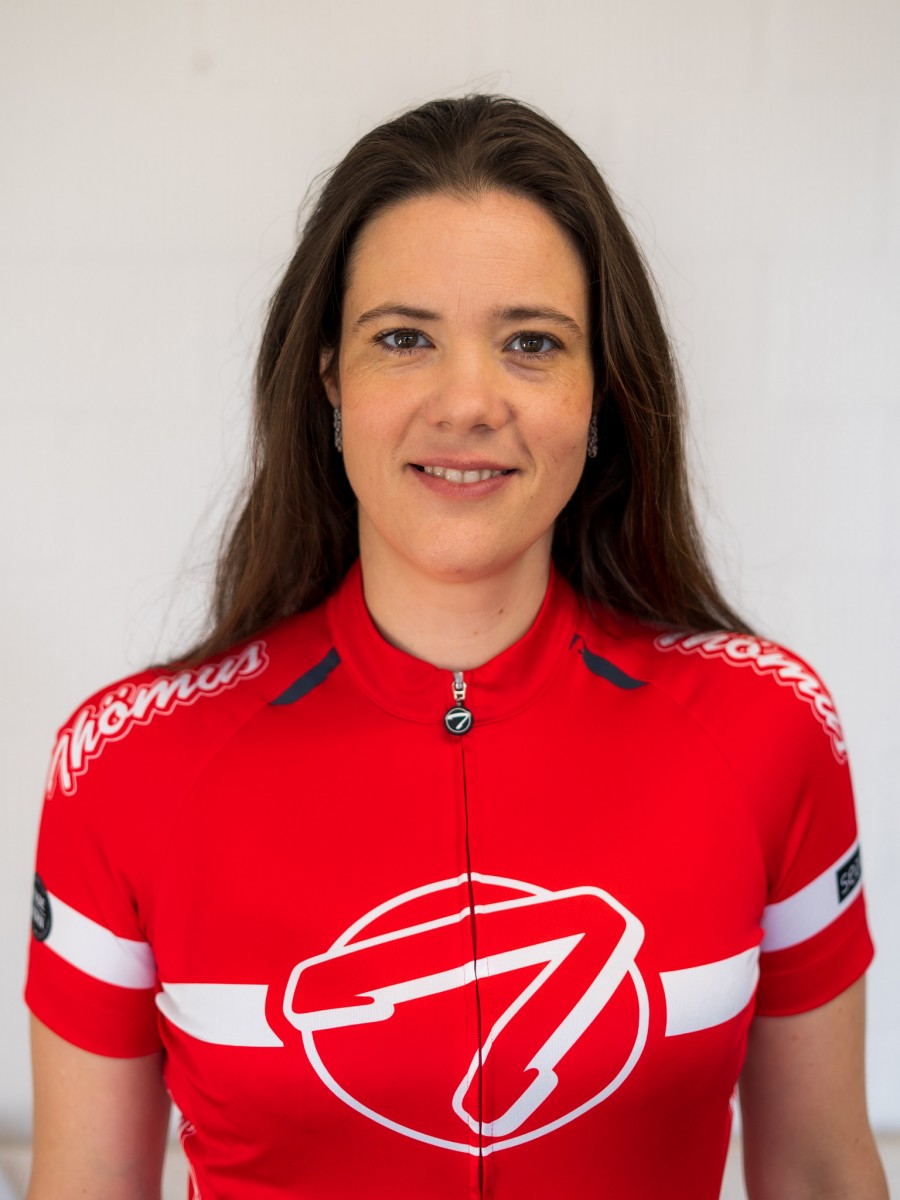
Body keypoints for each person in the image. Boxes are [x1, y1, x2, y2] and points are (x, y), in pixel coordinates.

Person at [25, 96, 887, 1200]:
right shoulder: (124, 767)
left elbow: (819, 1171)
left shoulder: (769, 730)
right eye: (404, 339)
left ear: (602, 389)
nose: (468, 402)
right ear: (329, 378)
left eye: (532, 343)